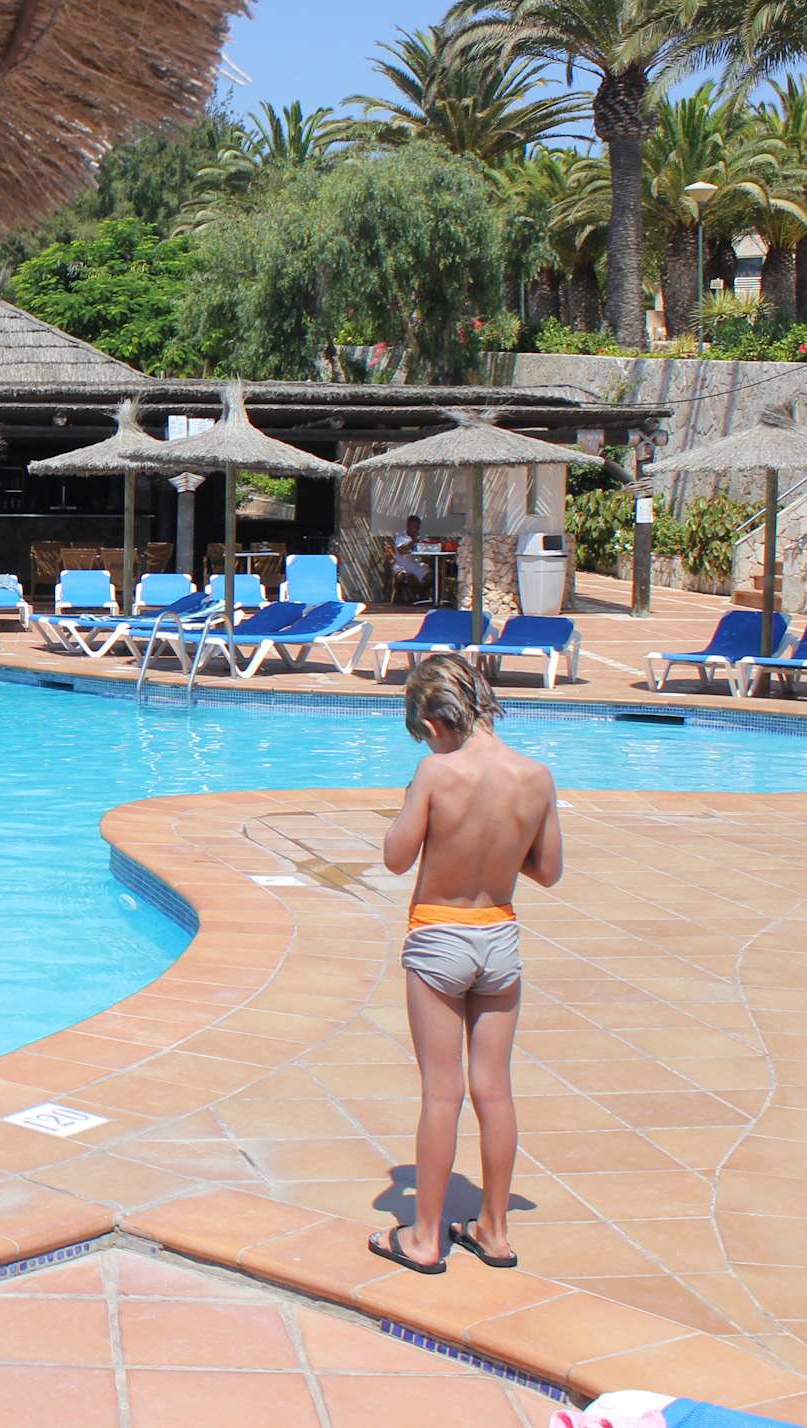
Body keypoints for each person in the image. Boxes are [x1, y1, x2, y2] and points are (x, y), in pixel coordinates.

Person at [368, 654, 561, 1276]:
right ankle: (494, 1233)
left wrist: (415, 803)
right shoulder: (536, 777)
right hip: (499, 938)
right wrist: (499, 845)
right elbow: (549, 870)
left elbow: (396, 858)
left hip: (440, 939)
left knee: (442, 1091)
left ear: (433, 722)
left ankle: (425, 1238)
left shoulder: (435, 772)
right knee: (494, 1089)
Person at [390, 514, 428, 603]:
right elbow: (401, 551)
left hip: (416, 565)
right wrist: (413, 541)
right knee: (401, 576)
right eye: (414, 527)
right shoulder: (401, 537)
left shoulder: (421, 537)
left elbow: (424, 553)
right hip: (401, 565)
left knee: (431, 577)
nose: (416, 529)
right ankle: (399, 596)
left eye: (417, 527)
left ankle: (421, 597)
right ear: (408, 525)